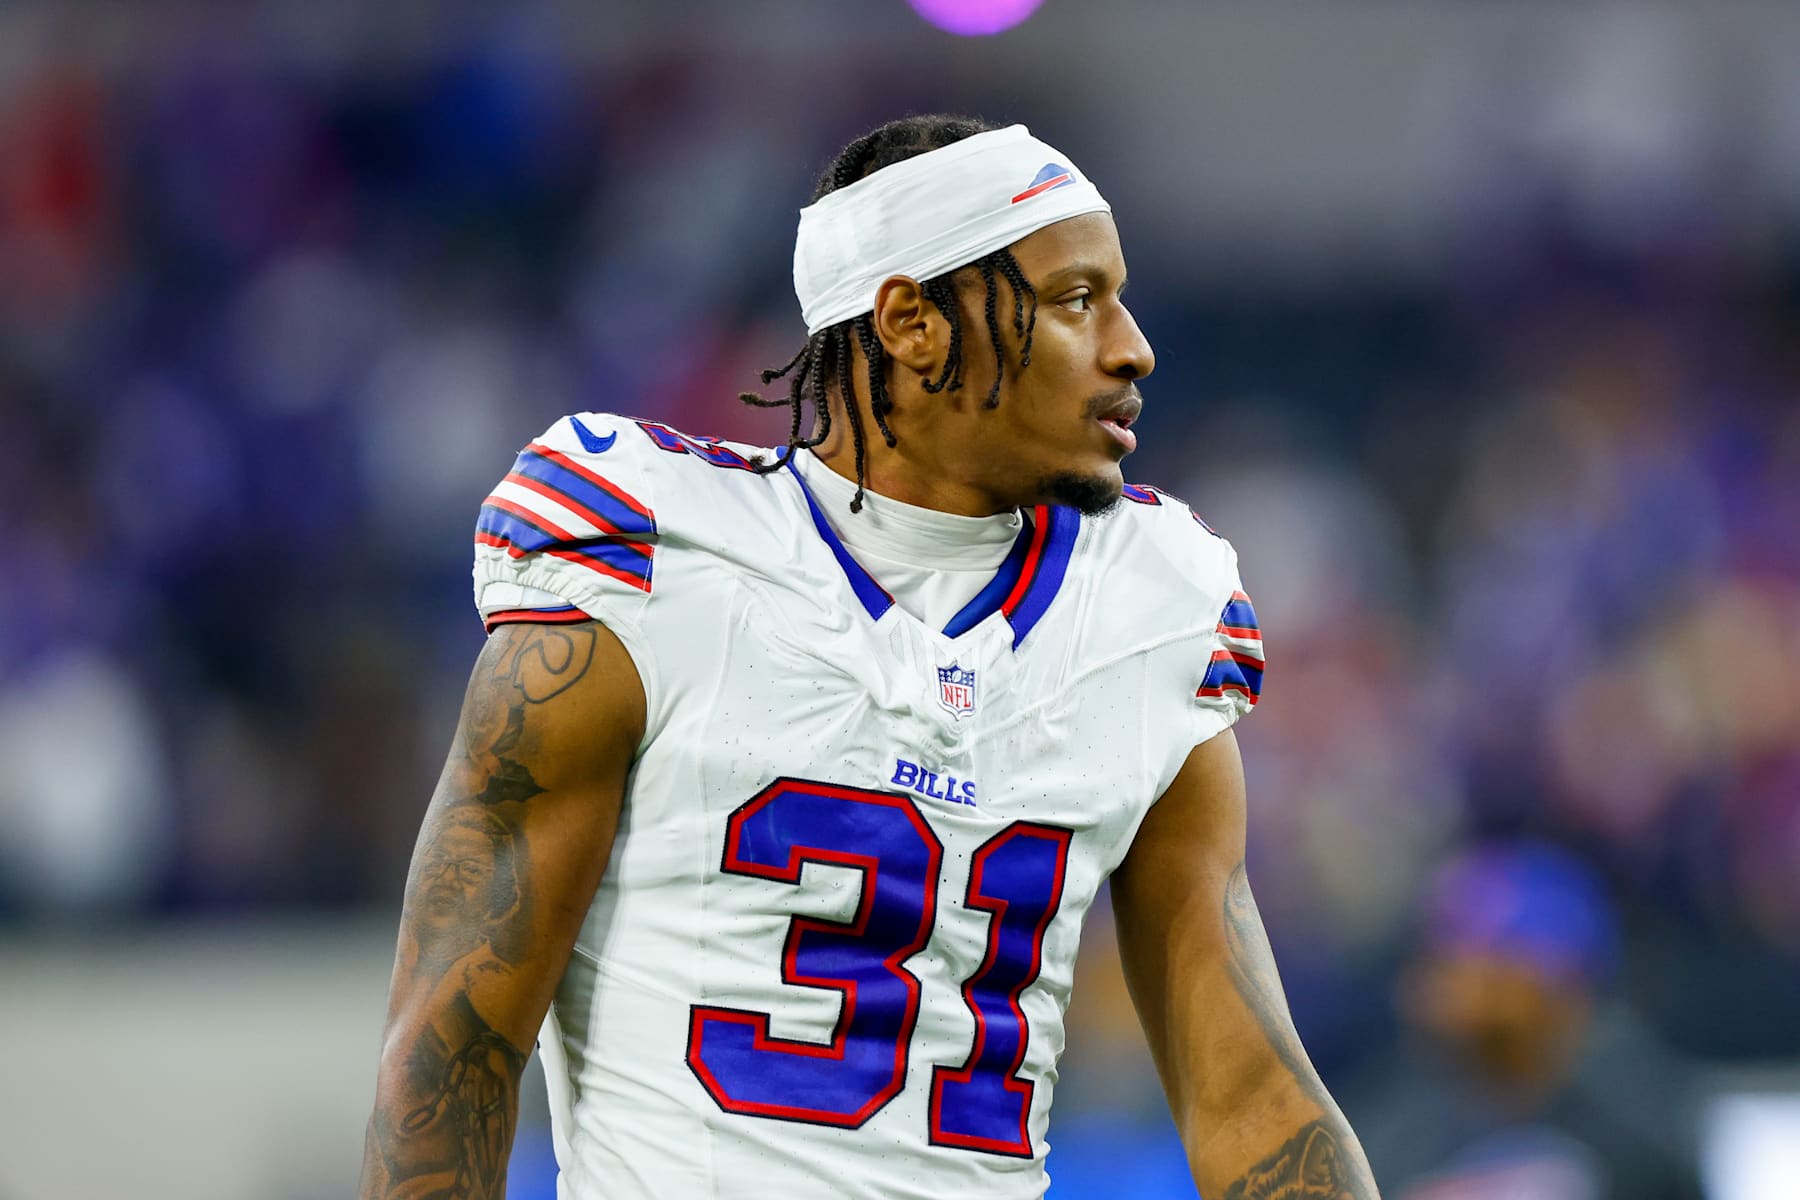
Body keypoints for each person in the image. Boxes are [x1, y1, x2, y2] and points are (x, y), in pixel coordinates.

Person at [359, 114, 1381, 1200]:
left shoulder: (1147, 607)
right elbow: (449, 1051)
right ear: (913, 323)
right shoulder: (658, 558)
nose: (1132, 346)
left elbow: (1252, 1100)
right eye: (1076, 299)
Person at [1346, 843, 1705, 1200]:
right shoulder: (1400, 1117)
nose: (1434, 984)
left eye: (1467, 958)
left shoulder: (1638, 1119)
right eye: (1435, 958)